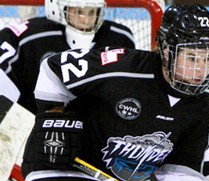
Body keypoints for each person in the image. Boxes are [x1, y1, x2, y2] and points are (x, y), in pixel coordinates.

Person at [22, 4, 209, 181]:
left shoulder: (205, 103)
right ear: (167, 51)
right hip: (62, 165)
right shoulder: (123, 68)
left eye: (208, 58)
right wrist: (54, 121)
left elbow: (182, 167)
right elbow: (53, 68)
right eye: (192, 58)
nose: (200, 69)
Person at [0, 0, 135, 114]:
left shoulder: (120, 39)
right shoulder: (28, 38)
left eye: (92, 12)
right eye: (78, 12)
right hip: (36, 132)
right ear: (58, 8)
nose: (85, 20)